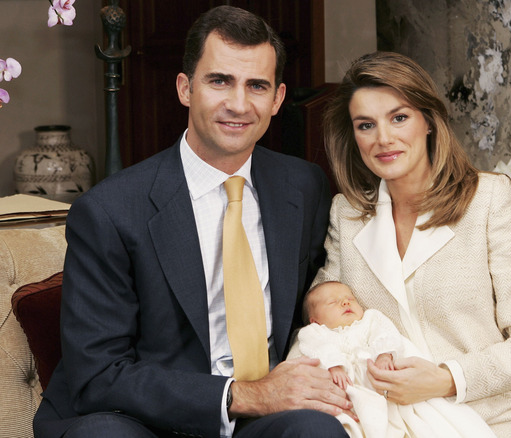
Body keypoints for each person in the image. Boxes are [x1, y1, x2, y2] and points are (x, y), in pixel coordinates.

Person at [33, 6, 350, 438]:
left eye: (256, 85)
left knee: (316, 431)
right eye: (220, 81)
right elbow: (100, 374)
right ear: (185, 88)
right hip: (141, 420)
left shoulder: (303, 186)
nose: (238, 104)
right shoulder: (110, 210)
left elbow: (315, 304)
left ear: (277, 99)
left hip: (260, 421)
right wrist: (244, 394)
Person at [315, 51, 511, 437]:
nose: (383, 139)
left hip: (492, 415)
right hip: (389, 419)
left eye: (399, 118)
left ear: (428, 121)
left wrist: (447, 379)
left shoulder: (488, 200)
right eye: (366, 125)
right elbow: (324, 310)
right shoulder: (345, 214)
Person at [293, 281, 497, 438]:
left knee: (416, 420)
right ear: (315, 320)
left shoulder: (369, 320)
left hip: (384, 385)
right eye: (333, 302)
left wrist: (384, 355)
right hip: (350, 392)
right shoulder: (316, 333)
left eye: (349, 298)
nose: (345, 302)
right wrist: (334, 366)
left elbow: (386, 333)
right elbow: (314, 347)